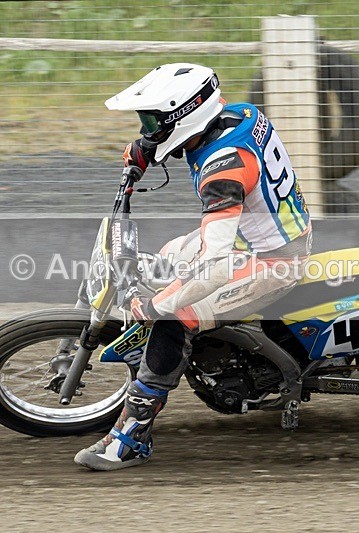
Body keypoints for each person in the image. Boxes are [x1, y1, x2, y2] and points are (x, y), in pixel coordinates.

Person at [75, 63, 312, 471]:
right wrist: (146, 149)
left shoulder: (224, 170)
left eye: (154, 120)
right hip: (255, 239)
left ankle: (130, 440)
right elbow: (180, 137)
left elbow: (215, 268)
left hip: (272, 261)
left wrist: (156, 307)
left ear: (185, 115)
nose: (147, 128)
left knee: (174, 316)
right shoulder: (240, 114)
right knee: (163, 260)